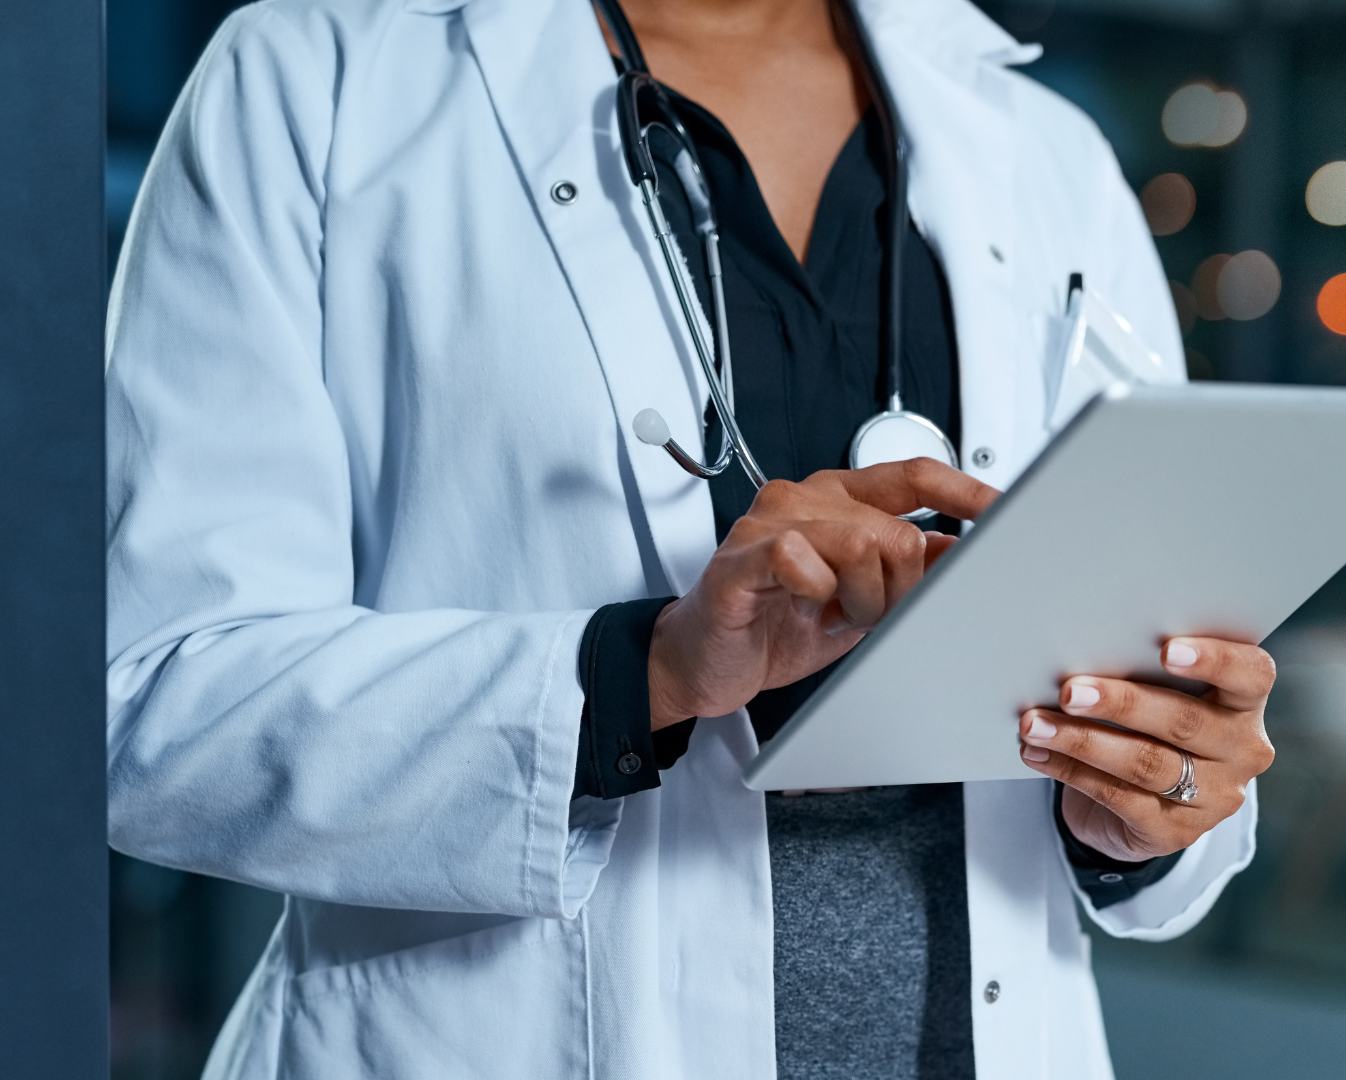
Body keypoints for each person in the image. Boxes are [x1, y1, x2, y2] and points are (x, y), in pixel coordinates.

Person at [104, 0, 1276, 1075]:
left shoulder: (1044, 152)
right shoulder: (319, 81)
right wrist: (643, 676)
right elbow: (151, 702)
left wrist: (1149, 800)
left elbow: (1153, 722)